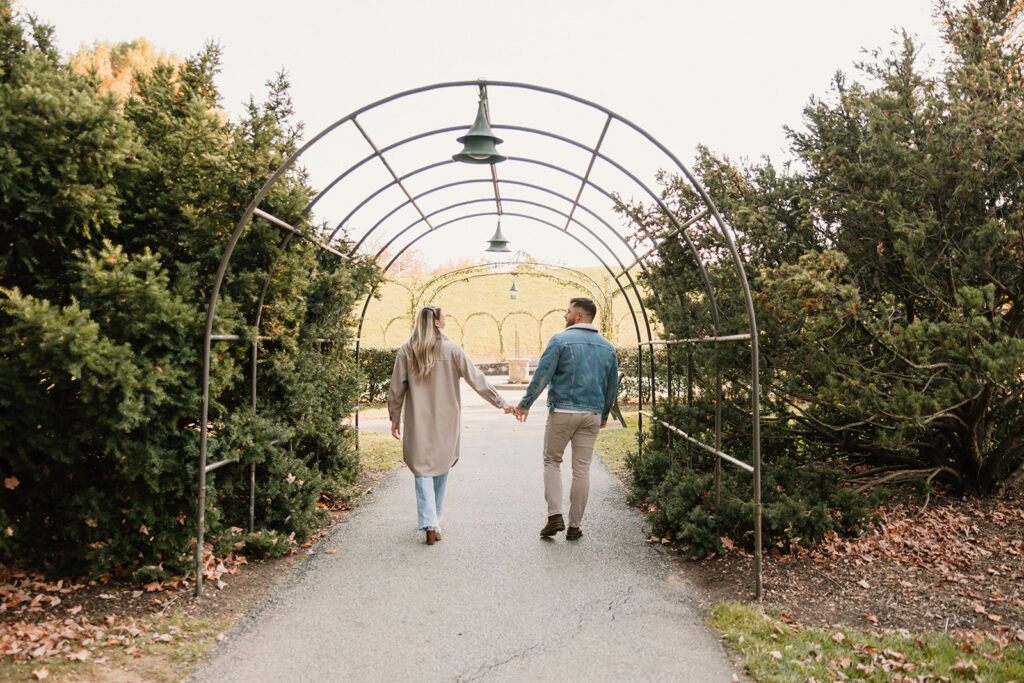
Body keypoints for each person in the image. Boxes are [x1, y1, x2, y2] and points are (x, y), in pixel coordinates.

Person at [388, 304, 514, 545]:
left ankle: (430, 521)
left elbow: (396, 388)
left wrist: (395, 416)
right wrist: (501, 402)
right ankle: (434, 519)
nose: (446, 319)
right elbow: (477, 379)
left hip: (418, 421)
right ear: (437, 322)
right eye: (444, 316)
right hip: (447, 420)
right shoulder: (453, 350)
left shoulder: (407, 350)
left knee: (423, 468)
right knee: (441, 466)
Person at [512, 297, 618, 540]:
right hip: (591, 414)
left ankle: (555, 516)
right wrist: (603, 415)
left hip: (562, 412)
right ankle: (575, 526)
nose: (565, 316)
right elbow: (612, 386)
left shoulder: (559, 341)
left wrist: (525, 404)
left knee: (552, 461)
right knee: (581, 469)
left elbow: (542, 376)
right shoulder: (608, 348)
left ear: (578, 315)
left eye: (568, 312)